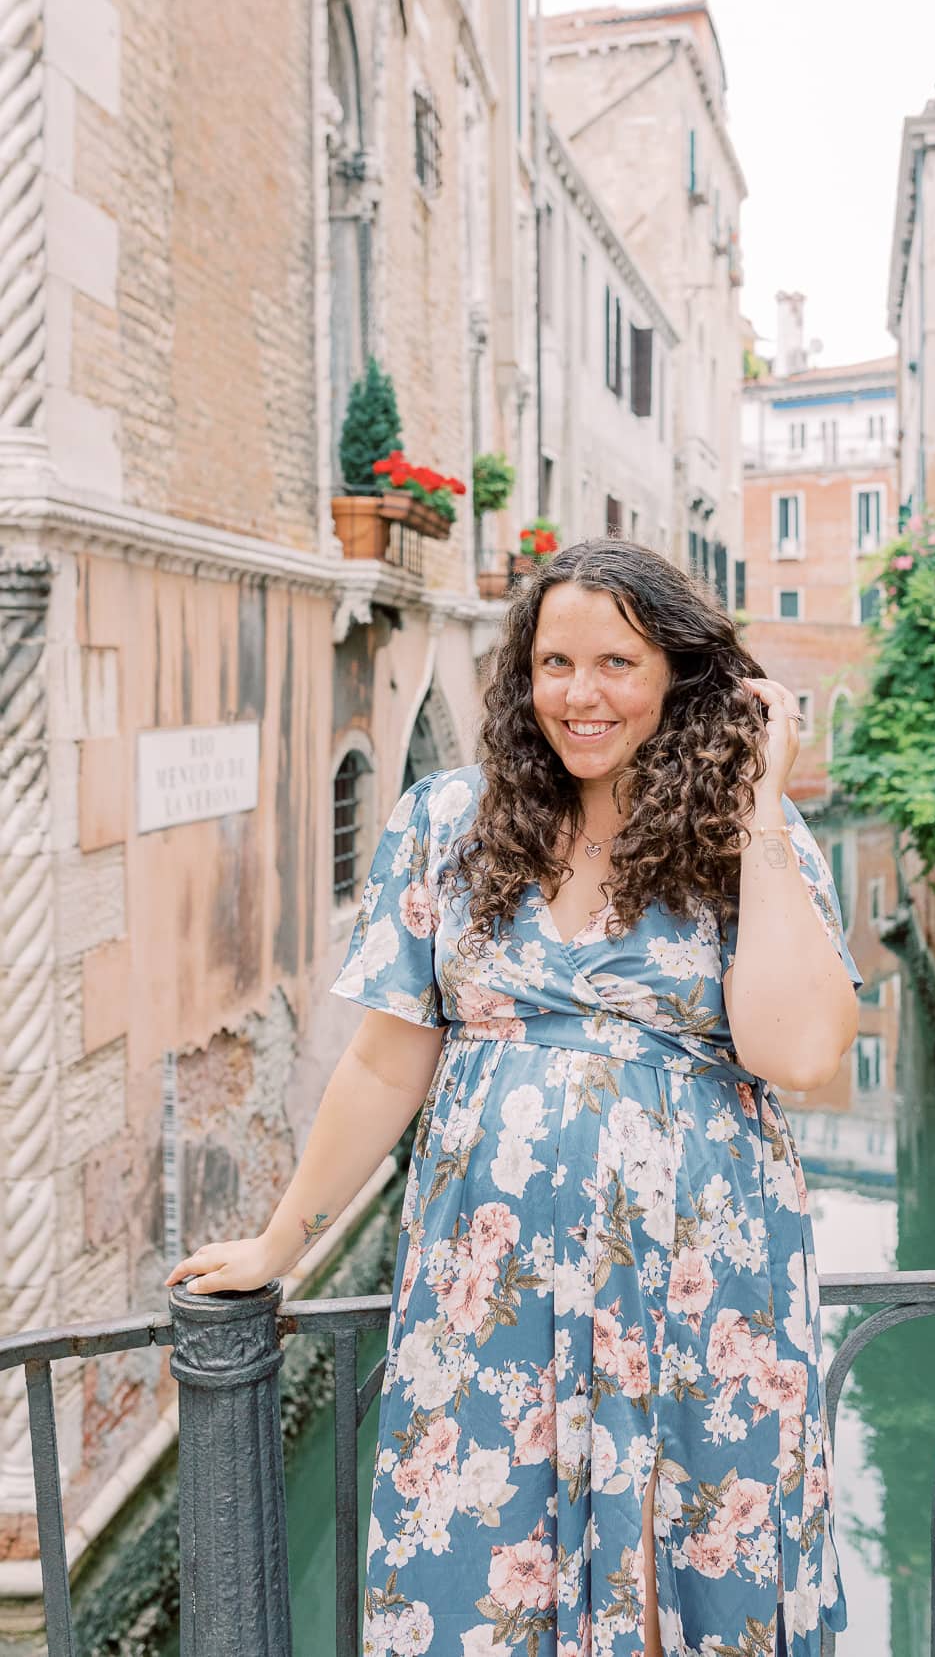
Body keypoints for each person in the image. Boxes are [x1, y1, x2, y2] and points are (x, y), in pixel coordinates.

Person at [166, 538, 862, 1657]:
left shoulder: (745, 837)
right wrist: (281, 1243)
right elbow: (387, 1061)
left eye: (618, 664)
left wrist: (762, 804)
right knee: (484, 1571)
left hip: (703, 1291)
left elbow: (805, 1049)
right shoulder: (447, 822)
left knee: (694, 1565)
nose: (580, 696)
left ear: (681, 676)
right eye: (554, 663)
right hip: (486, 1291)